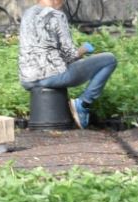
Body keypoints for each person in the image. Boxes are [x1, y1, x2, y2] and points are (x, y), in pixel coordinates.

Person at [18, 0, 117, 129]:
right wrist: (84, 49)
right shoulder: (57, 15)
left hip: (27, 79)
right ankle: (84, 104)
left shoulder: (27, 14)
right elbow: (70, 56)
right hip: (51, 78)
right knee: (109, 59)